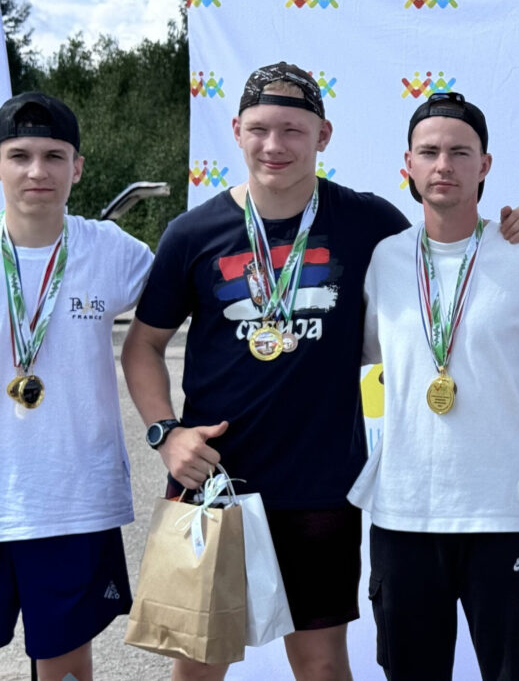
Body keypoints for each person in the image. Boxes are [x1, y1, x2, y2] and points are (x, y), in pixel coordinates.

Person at [121, 62, 410, 681]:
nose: (274, 145)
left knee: (321, 664)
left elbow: (445, 254)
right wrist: (166, 434)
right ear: (236, 131)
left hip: (322, 483)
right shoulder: (193, 232)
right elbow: (142, 346)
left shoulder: (368, 221)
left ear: (323, 135)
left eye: (292, 130)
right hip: (213, 479)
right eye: (258, 129)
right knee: (199, 665)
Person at [348, 91, 519, 680]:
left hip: (502, 513)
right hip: (403, 515)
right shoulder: (385, 260)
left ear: (484, 165)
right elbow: (348, 354)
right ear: (409, 165)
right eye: (429, 152)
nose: (443, 165)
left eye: (459, 152)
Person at [0, 92, 152, 681]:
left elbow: (193, 306)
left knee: (64, 668)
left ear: (78, 167)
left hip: (71, 499)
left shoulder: (111, 251)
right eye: (19, 155)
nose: (37, 171)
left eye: (54, 156)